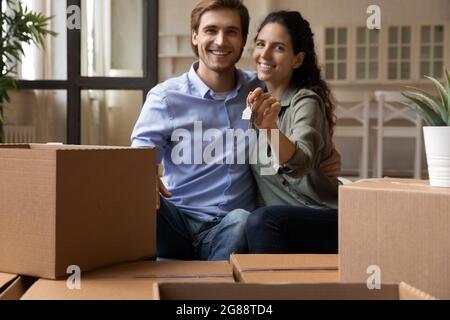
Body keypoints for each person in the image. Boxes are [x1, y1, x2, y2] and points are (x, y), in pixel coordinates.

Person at [131, 0, 340, 261]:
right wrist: (142, 174)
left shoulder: (260, 89)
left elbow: (299, 117)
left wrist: (325, 151)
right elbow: (138, 155)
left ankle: (216, 292)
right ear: (195, 36)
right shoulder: (166, 97)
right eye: (210, 30)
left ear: (242, 41)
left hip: (230, 227)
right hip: (177, 221)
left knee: (244, 219)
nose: (220, 41)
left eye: (231, 31)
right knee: (129, 195)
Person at [245, 11, 339, 254]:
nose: (264, 54)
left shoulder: (306, 101)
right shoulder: (254, 99)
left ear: (297, 60)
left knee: (261, 220)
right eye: (260, 44)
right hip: (283, 222)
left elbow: (299, 164)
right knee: (245, 220)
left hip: (323, 217)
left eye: (278, 48)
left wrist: (271, 130)